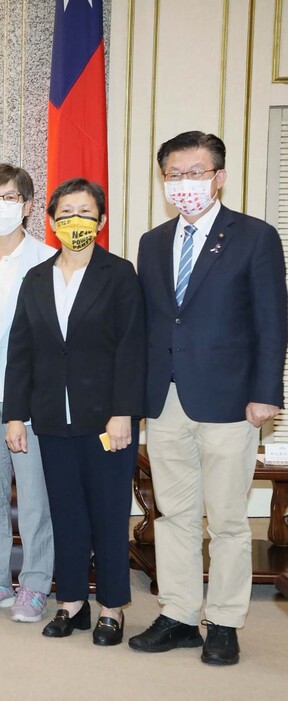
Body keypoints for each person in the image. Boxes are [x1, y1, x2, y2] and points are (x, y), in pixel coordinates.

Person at [129, 131, 287, 665]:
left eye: (195, 172)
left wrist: (266, 393)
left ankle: (223, 621)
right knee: (174, 514)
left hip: (230, 400)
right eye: (174, 174)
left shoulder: (255, 236)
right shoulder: (152, 242)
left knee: (227, 520)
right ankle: (178, 614)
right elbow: (152, 325)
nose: (184, 183)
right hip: (165, 399)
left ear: (219, 176)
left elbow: (272, 322)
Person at [4, 178, 145, 645]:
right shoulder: (36, 278)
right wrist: (14, 415)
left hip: (107, 420)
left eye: (84, 212)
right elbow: (20, 352)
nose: (74, 221)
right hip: (52, 419)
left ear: (100, 221)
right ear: (51, 221)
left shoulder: (118, 274)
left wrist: (124, 411)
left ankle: (111, 606)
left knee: (108, 514)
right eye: (65, 213)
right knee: (65, 513)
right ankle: (71, 601)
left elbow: (131, 348)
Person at [0, 164, 56, 622]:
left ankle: (35, 584)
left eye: (9, 197)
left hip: (31, 399)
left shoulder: (47, 260)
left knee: (35, 497)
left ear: (27, 205)